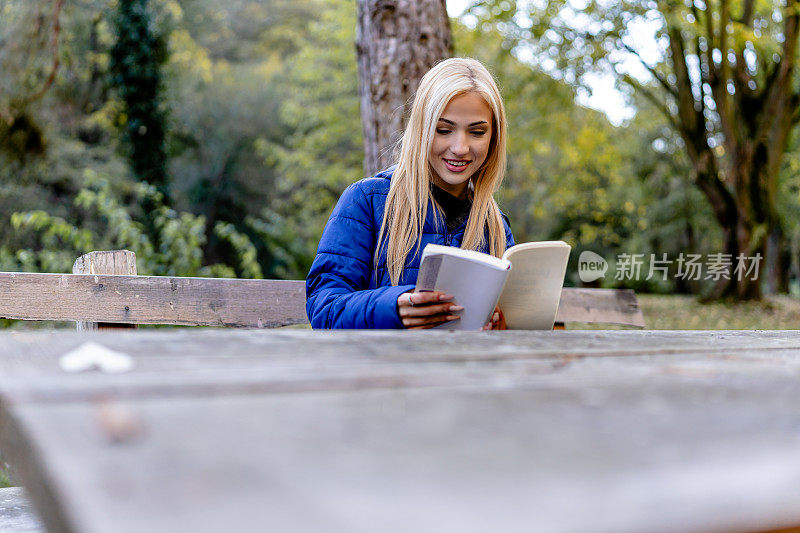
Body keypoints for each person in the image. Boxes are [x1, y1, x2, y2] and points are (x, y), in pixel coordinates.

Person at [306, 57, 514, 329]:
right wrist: (395, 307)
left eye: (476, 132)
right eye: (443, 130)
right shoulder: (366, 201)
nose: (460, 147)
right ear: (421, 128)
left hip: (463, 370)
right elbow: (324, 307)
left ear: (493, 138)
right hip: (381, 368)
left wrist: (501, 324)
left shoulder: (495, 225)